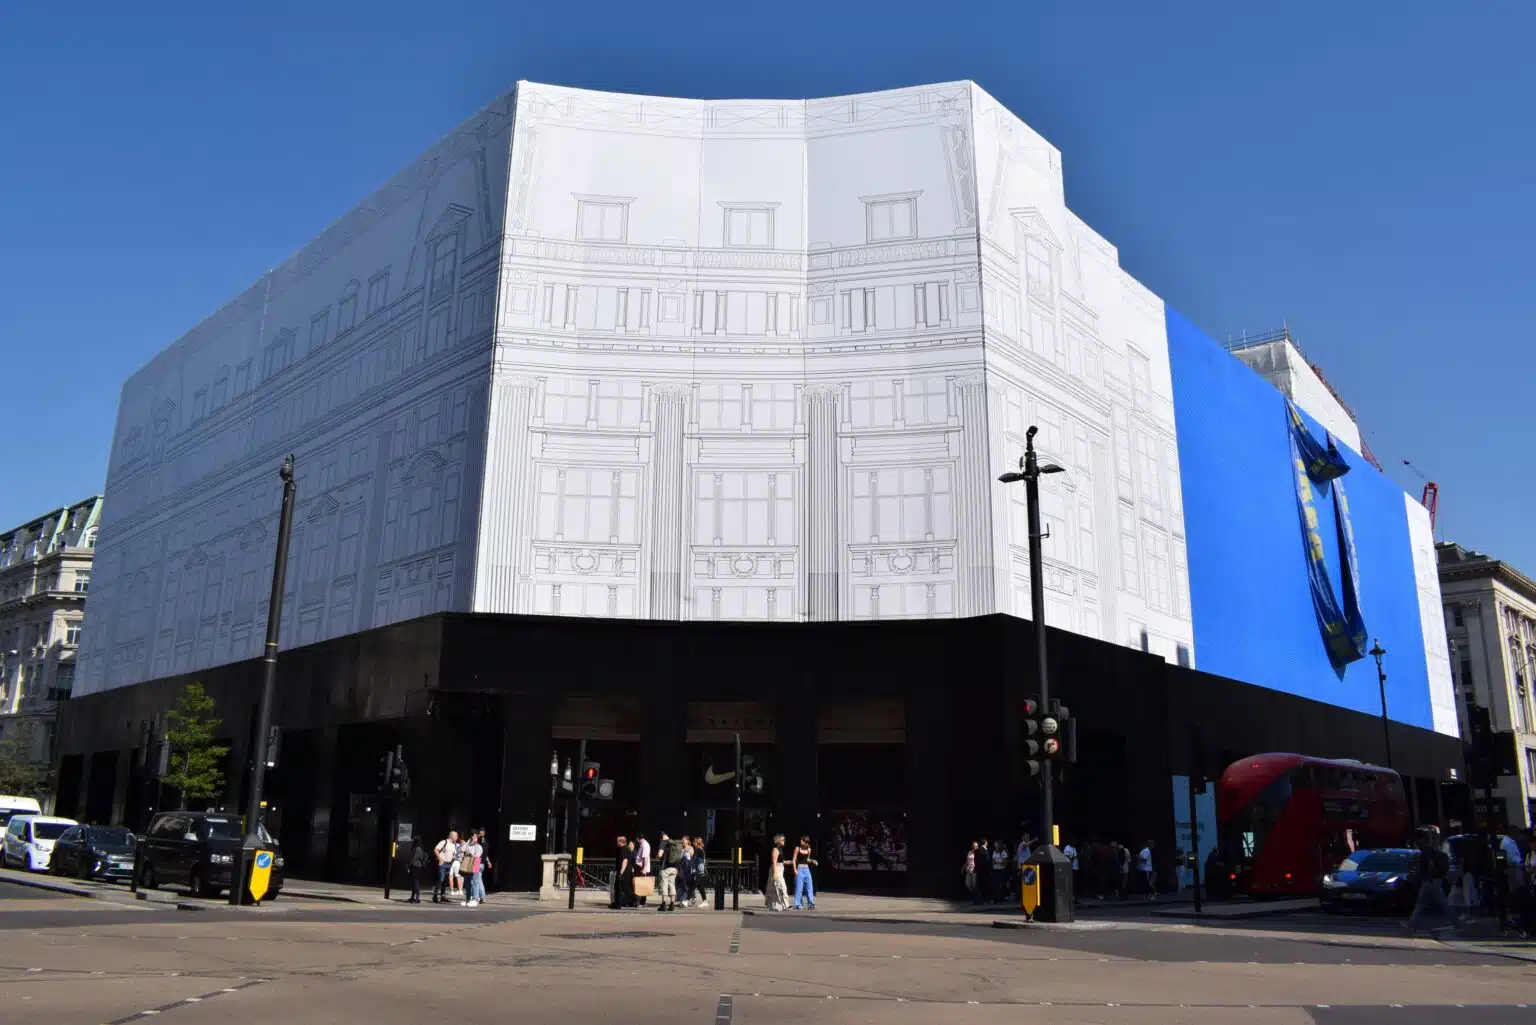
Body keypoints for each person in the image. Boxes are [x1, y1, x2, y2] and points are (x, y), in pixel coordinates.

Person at [1407, 827, 1455, 935]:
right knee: (1438, 903)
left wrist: (1427, 876)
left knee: (1422, 904)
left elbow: (1429, 865)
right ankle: (1412, 925)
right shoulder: (1431, 850)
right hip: (1434, 880)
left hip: (1429, 881)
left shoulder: (1425, 852)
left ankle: (1412, 925)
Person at [433, 830, 460, 904]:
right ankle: (435, 896)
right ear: (451, 836)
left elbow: (454, 853)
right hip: (443, 863)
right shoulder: (444, 842)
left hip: (449, 864)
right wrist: (440, 859)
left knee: (445, 881)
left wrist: (453, 858)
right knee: (441, 879)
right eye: (456, 836)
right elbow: (436, 850)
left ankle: (443, 896)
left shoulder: (454, 844)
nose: (457, 837)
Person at [792, 835, 817, 910]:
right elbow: (794, 860)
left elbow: (807, 859)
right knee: (799, 888)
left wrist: (813, 861)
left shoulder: (809, 849)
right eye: (801, 840)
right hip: (799, 868)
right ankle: (798, 904)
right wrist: (795, 870)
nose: (801, 842)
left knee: (809, 886)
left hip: (806, 869)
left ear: (806, 842)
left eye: (802, 840)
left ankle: (811, 903)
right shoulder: (797, 848)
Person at [656, 831, 679, 912]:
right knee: (672, 885)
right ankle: (672, 904)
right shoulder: (674, 843)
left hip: (665, 868)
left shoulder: (663, 843)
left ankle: (663, 904)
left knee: (664, 885)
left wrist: (657, 856)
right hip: (674, 868)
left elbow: (659, 855)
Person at [766, 834, 789, 911]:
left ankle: (783, 905)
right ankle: (782, 905)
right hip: (777, 869)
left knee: (779, 887)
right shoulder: (775, 849)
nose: (784, 841)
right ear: (778, 841)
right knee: (780, 886)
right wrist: (775, 873)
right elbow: (774, 862)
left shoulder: (780, 849)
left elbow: (781, 861)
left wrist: (789, 862)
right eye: (782, 840)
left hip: (780, 869)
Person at [462, 831, 485, 907]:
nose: (473, 838)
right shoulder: (469, 845)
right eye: (472, 836)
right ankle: (468, 899)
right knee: (467, 882)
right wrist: (468, 842)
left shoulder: (478, 846)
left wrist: (470, 853)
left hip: (476, 863)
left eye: (475, 837)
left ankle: (475, 899)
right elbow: (462, 849)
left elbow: (477, 856)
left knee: (474, 882)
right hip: (468, 863)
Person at [407, 837, 428, 904]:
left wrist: (409, 865)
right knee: (414, 882)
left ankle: (417, 897)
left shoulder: (417, 849)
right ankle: (413, 897)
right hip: (416, 867)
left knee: (415, 882)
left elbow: (414, 859)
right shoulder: (418, 848)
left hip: (415, 867)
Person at [635, 832, 652, 907]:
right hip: (641, 867)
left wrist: (644, 868)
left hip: (642, 868)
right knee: (642, 884)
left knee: (641, 885)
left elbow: (645, 857)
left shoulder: (645, 845)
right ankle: (641, 901)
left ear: (638, 838)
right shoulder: (642, 844)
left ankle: (641, 902)